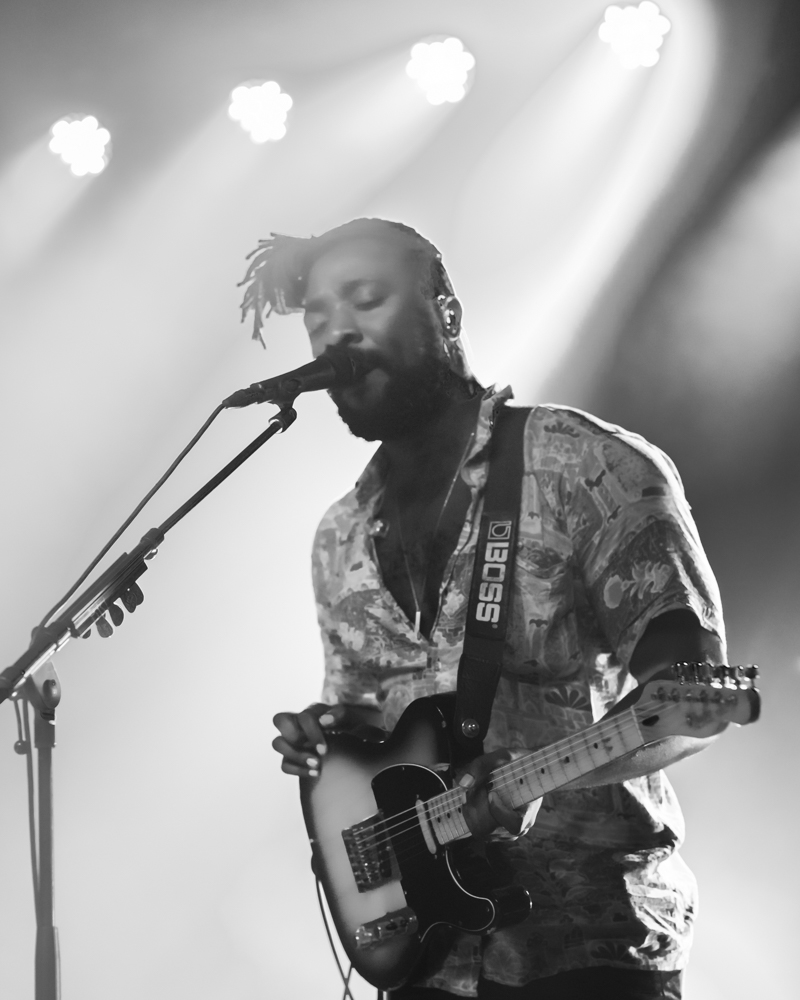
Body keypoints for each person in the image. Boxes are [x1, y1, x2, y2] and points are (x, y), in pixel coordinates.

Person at [243, 218, 727, 1000]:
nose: (338, 336)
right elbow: (373, 735)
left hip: (589, 947)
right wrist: (329, 743)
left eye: (366, 301)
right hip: (427, 961)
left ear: (447, 313)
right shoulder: (338, 536)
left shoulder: (584, 465)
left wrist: (528, 780)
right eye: (320, 321)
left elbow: (692, 695)